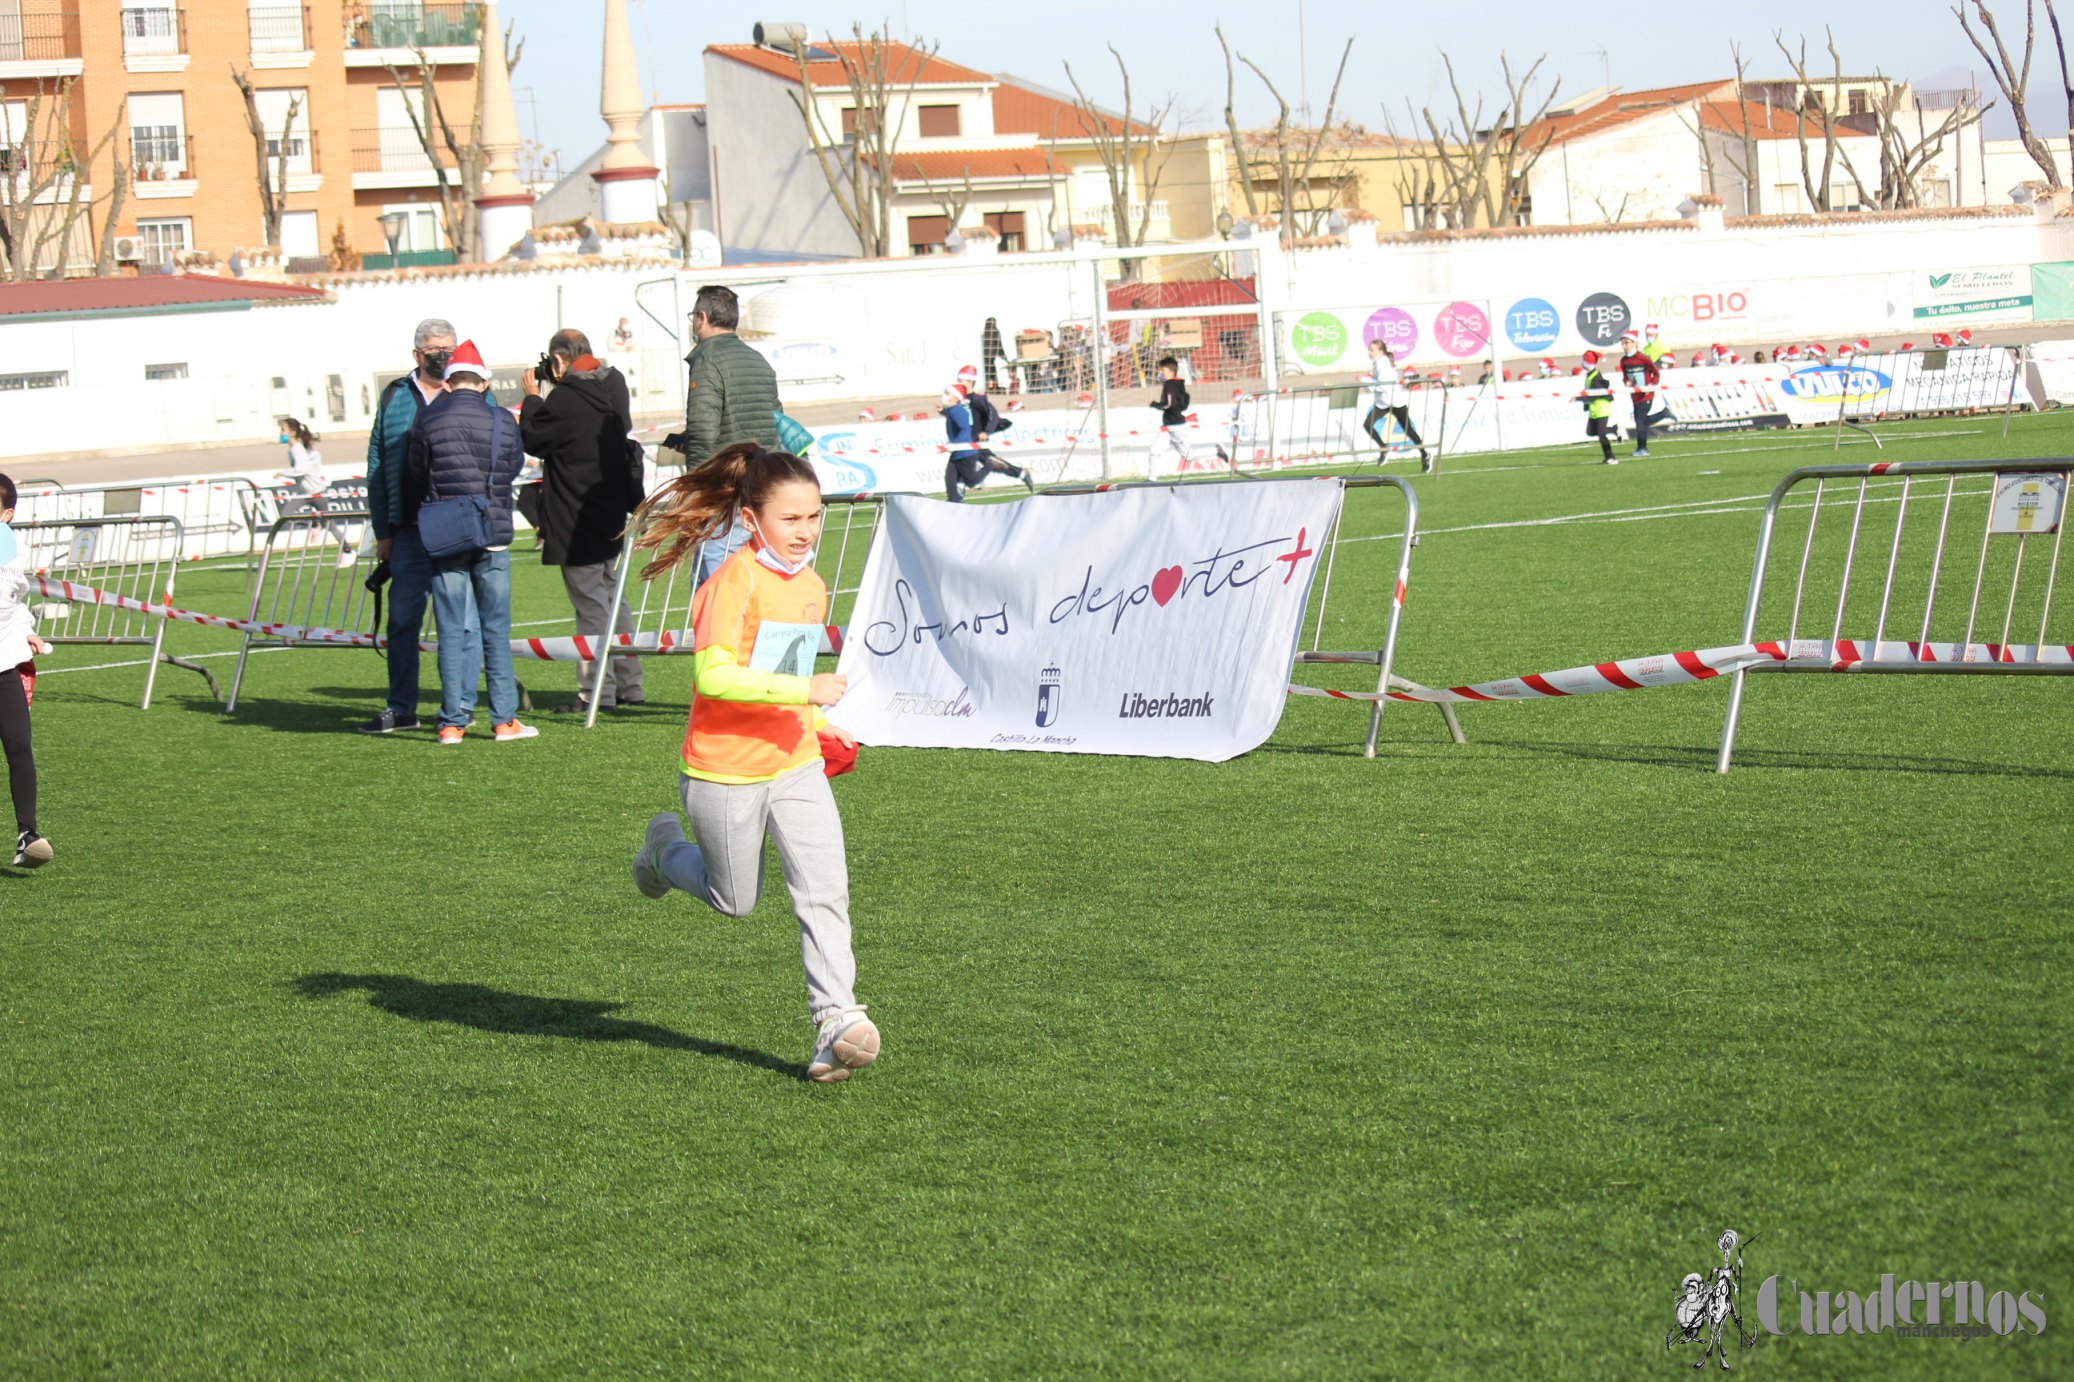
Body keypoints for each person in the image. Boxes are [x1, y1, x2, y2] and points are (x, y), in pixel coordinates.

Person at [625, 442, 877, 1084]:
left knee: (825, 892)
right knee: (733, 900)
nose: (807, 531)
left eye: (815, 516)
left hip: (793, 764)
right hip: (723, 772)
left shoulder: (813, 586)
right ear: (750, 518)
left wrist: (820, 724)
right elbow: (715, 677)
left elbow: (785, 673)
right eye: (791, 519)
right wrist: (806, 692)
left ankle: (837, 1022)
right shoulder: (729, 584)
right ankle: (660, 855)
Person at [404, 341, 535, 745]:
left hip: (445, 533)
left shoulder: (426, 420)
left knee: (451, 628)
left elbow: (414, 475)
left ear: (447, 383)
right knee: (495, 627)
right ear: (484, 383)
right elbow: (511, 467)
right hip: (492, 531)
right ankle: (503, 719)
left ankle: (452, 722)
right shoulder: (501, 420)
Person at [361, 316, 477, 735]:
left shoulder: (468, 390)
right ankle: (402, 707)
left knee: (462, 622)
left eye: (448, 347)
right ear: (417, 354)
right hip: (408, 530)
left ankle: (461, 707)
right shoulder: (395, 396)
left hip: (455, 529)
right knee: (402, 621)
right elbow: (377, 464)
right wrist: (384, 530)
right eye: (434, 350)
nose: (443, 355)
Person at [520, 328, 646, 715]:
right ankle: (629, 684)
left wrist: (530, 398)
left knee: (591, 606)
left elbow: (533, 438)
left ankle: (596, 692)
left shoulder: (565, 399)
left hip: (577, 520)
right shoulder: (612, 389)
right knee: (613, 599)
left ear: (559, 361)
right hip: (611, 512)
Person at [682, 284, 781, 587]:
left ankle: (726, 635)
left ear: (702, 317)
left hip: (724, 488)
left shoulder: (708, 359)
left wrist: (695, 488)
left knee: (716, 585)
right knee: (755, 575)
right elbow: (775, 421)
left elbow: (703, 429)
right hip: (761, 483)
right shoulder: (758, 360)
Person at [0, 474, 52, 867]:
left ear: (7, 513)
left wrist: (27, 631)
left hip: (3, 664)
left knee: (19, 745)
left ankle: (27, 835)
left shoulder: (13, 556)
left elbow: (16, 603)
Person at [942, 383, 1035, 501]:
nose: (962, 383)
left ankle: (1020, 473)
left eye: (964, 380)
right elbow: (957, 419)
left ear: (971, 382)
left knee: (974, 474)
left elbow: (991, 414)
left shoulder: (977, 399)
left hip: (972, 442)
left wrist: (986, 431)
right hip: (967, 442)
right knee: (961, 472)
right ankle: (957, 495)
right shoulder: (963, 402)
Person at [1362, 339, 1431, 470]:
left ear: (1380, 352)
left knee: (1408, 430)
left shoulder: (1384, 365)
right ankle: (1384, 447)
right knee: (1367, 424)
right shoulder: (1377, 364)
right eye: (1369, 349)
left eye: (1372, 350)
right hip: (1383, 402)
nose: (1369, 352)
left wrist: (1364, 380)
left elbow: (1382, 387)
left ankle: (1424, 454)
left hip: (1395, 402)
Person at [1617, 331, 1659, 458]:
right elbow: (1625, 377)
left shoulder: (1644, 358)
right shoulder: (1624, 361)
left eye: (1627, 342)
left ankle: (1642, 448)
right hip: (1634, 394)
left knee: (1640, 421)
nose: (1624, 345)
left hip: (1646, 394)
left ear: (1635, 343)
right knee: (1641, 421)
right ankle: (1664, 413)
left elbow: (1656, 373)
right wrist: (1627, 382)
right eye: (1623, 343)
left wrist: (1651, 386)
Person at [1579, 350, 1617, 463]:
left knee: (1601, 435)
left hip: (1602, 409)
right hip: (1594, 409)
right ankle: (1614, 429)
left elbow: (1595, 394)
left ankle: (1610, 457)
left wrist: (1578, 398)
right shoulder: (1590, 376)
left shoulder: (1595, 377)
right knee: (1590, 432)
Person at [980, 316, 1006, 392]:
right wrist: (1004, 356)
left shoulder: (985, 332)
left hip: (985, 357)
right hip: (991, 356)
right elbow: (998, 344)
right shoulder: (995, 330)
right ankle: (993, 388)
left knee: (988, 373)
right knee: (992, 373)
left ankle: (990, 387)